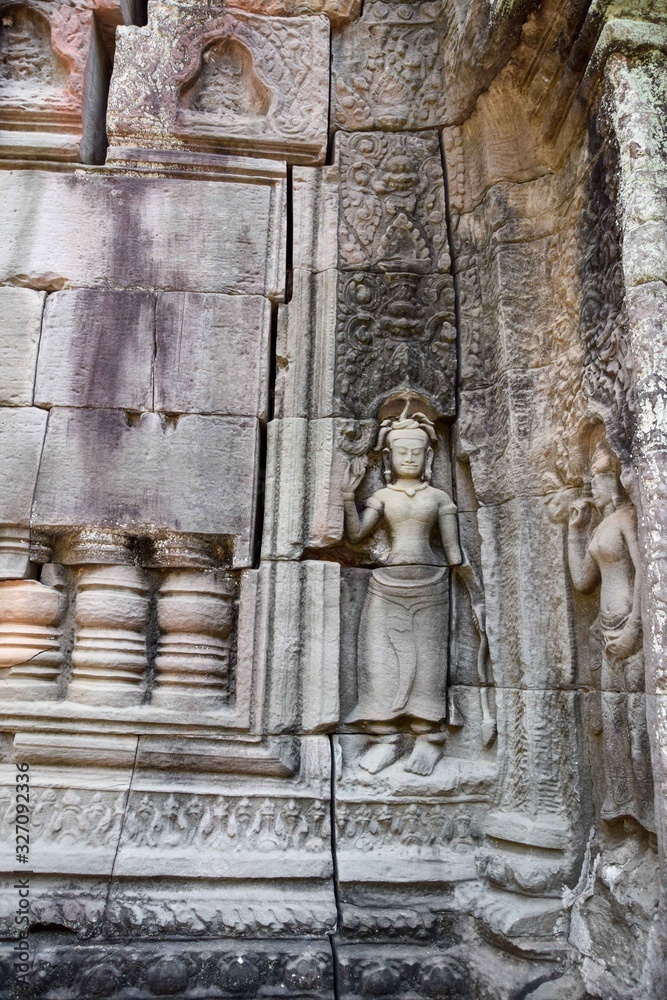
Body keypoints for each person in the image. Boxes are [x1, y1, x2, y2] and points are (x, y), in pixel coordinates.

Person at [342, 403, 462, 776]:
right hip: (385, 584)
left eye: (416, 451)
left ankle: (428, 737)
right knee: (381, 661)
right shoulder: (383, 497)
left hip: (431, 586)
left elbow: (454, 553)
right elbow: (358, 536)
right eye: (401, 452)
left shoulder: (439, 498)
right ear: (388, 458)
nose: (409, 458)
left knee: (428, 663)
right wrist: (348, 497)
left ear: (428, 456)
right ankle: (385, 738)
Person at [568, 440, 654, 831]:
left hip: (629, 633)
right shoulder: (602, 525)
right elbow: (583, 581)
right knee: (612, 720)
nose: (594, 486)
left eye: (599, 478)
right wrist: (574, 533)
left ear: (614, 479)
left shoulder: (627, 518)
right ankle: (621, 808)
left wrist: (636, 626)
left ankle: (649, 817)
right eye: (592, 478)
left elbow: (646, 570)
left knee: (637, 721)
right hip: (605, 633)